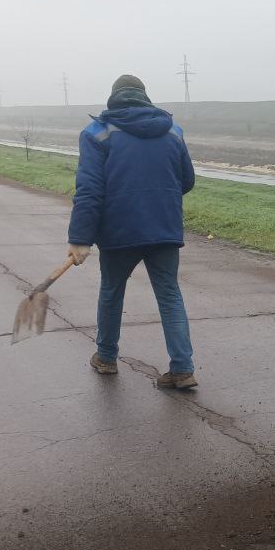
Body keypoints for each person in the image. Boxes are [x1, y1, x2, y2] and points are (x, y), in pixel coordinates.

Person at [66, 74, 198, 389]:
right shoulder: (172, 131)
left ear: (113, 98)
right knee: (169, 294)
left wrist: (79, 238)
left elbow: (89, 191)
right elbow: (187, 181)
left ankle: (106, 358)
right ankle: (183, 368)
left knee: (111, 292)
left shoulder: (97, 133)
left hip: (118, 231)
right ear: (144, 97)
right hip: (164, 228)